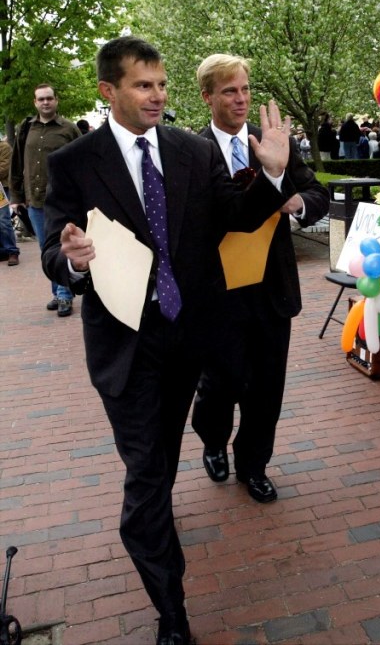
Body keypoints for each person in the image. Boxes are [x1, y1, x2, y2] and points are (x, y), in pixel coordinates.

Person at [40, 36, 295, 644]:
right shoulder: (75, 162)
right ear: (109, 92)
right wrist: (71, 262)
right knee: (147, 474)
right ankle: (172, 611)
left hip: (189, 339)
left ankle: (160, 507)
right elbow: (54, 249)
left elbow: (236, 215)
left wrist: (274, 173)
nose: (157, 95)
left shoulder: (189, 151)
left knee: (162, 457)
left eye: (161, 84)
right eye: (142, 85)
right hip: (125, 346)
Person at [191, 53, 328, 506]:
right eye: (230, 90)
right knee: (221, 384)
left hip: (270, 292)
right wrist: (267, 183)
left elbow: (316, 195)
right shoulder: (192, 153)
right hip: (217, 294)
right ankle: (213, 439)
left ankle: (254, 465)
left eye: (246, 89)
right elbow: (208, 214)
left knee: (266, 389)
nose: (241, 98)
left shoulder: (269, 143)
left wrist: (294, 202)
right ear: (208, 96)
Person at [10, 84, 81, 313]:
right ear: (35, 102)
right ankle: (58, 290)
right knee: (46, 248)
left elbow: (83, 161)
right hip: (36, 200)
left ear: (56, 100)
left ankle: (63, 294)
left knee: (62, 246)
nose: (45, 102)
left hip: (62, 200)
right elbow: (17, 163)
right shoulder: (25, 129)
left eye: (49, 98)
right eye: (41, 99)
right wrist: (17, 196)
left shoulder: (69, 129)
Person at [0, 134, 19, 266]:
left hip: (1, 188)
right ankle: (3, 251)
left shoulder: (4, 147)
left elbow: (5, 168)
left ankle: (12, 251)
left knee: (3, 220)